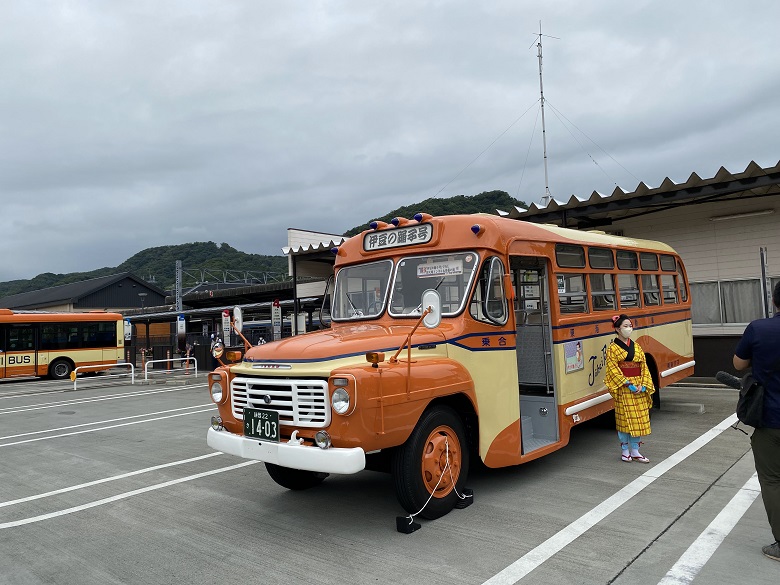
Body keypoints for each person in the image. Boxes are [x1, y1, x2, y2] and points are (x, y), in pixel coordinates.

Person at [733, 281, 780, 562]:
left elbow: (739, 364)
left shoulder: (759, 328)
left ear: (774, 302)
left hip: (769, 418)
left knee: (773, 480)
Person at [604, 314, 655, 463]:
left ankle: (635, 450)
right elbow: (612, 369)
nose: (629, 329)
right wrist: (627, 383)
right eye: (625, 326)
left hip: (638, 386)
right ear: (617, 329)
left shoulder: (637, 346)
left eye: (630, 326)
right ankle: (625, 450)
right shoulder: (612, 349)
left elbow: (644, 366)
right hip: (624, 387)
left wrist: (643, 385)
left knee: (639, 419)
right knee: (624, 420)